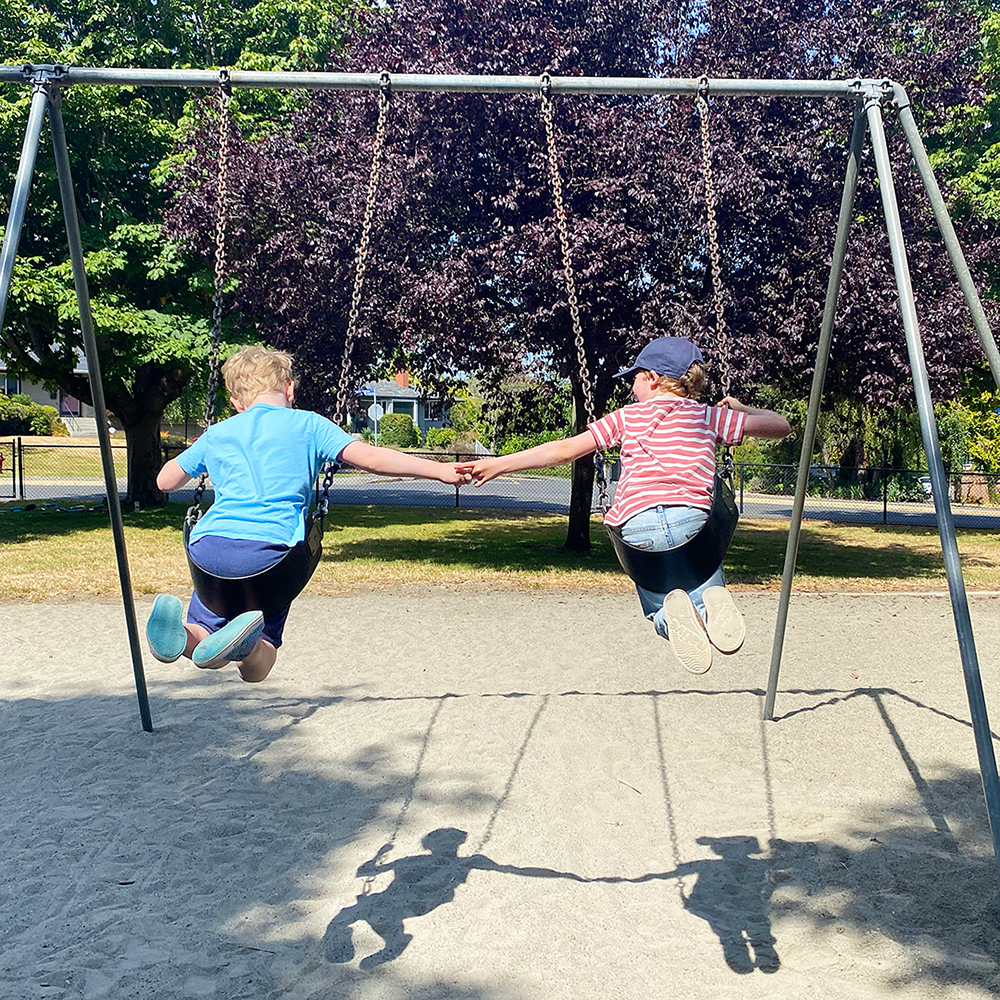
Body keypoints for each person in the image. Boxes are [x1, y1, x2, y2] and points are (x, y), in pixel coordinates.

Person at [460, 336, 791, 674]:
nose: (631, 385)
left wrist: (499, 464)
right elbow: (781, 426)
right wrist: (740, 408)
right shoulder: (707, 417)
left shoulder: (625, 418)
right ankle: (712, 602)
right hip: (693, 519)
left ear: (652, 378)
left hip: (637, 525)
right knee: (705, 584)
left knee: (660, 606)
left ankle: (666, 615)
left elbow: (562, 451)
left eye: (634, 377)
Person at [146, 345, 469, 682]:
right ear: (289, 388)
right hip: (270, 555)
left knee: (205, 641)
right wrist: (440, 472)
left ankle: (181, 633)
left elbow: (165, 481)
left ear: (237, 403)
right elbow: (373, 459)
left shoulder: (218, 433)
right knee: (256, 667)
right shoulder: (309, 425)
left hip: (209, 550)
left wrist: (203, 459)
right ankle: (250, 647)